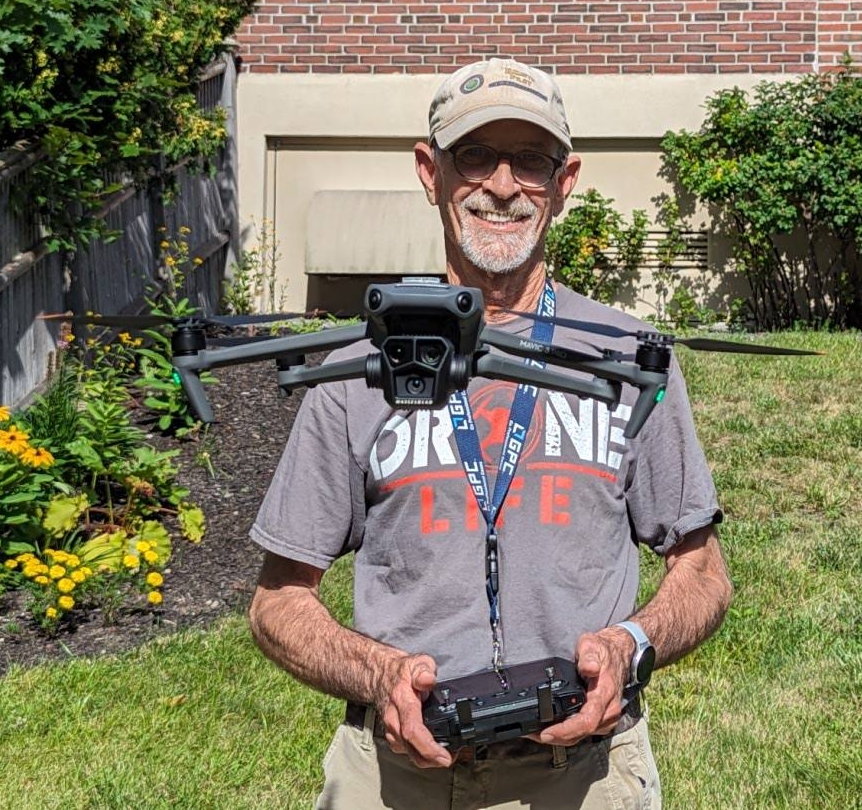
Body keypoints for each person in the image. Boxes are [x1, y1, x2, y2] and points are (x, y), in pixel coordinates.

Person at [249, 57, 732, 809]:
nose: (502, 185)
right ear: (429, 170)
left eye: (529, 161)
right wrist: (380, 674)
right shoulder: (355, 372)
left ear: (564, 181)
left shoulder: (632, 361)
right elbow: (278, 602)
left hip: (584, 775)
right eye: (474, 154)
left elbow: (703, 572)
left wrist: (627, 647)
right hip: (396, 777)